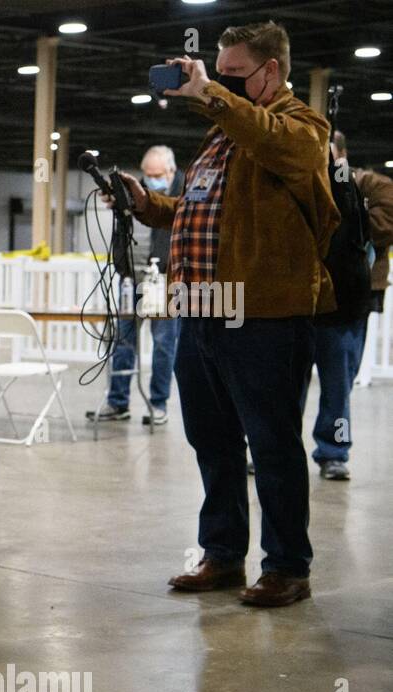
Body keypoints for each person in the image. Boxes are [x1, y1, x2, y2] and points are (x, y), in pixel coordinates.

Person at [120, 20, 339, 608]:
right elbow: (204, 209)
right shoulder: (221, 139)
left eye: (235, 75)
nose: (223, 85)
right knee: (212, 441)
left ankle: (288, 567)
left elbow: (278, 143)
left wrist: (210, 96)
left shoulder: (304, 128)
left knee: (271, 445)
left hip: (264, 313)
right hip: (202, 309)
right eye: (219, 75)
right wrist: (151, 206)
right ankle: (221, 553)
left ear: (271, 71)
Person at [305, 132, 393, 480]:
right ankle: (274, 448)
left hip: (348, 303)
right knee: (283, 386)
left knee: (338, 385)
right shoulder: (299, 183)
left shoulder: (369, 183)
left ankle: (334, 452)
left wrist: (345, 209)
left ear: (340, 153)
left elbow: (386, 222)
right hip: (300, 300)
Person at [89, 145, 184, 425]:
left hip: (163, 279)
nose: (151, 179)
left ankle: (158, 404)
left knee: (164, 344)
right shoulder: (136, 192)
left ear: (171, 171)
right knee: (123, 341)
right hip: (131, 277)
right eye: (147, 174)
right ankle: (118, 402)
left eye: (156, 174)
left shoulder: (183, 191)